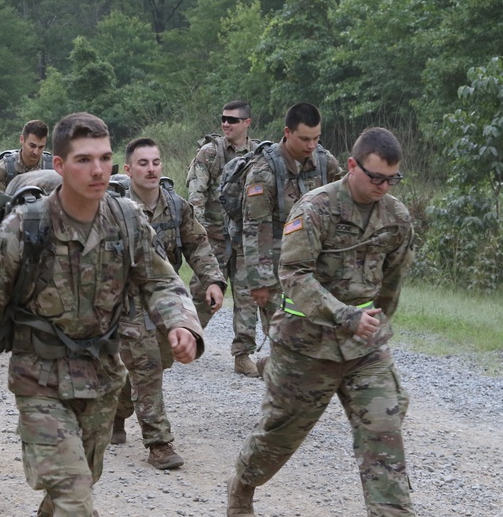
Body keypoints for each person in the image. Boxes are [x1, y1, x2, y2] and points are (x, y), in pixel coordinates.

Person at [0, 113, 204, 517]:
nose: (98, 169)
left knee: (76, 481)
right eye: (85, 160)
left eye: (106, 158)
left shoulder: (127, 218)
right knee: (72, 489)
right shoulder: (29, 225)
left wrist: (182, 324)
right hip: (39, 377)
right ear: (60, 164)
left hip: (102, 375)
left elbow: (161, 280)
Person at [227, 127, 430, 517]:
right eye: (376, 177)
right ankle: (243, 484)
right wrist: (344, 314)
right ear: (353, 165)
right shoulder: (315, 208)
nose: (383, 187)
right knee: (281, 432)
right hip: (306, 345)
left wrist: (377, 325)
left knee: (383, 423)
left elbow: (393, 280)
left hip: (363, 345)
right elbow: (295, 276)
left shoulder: (395, 217)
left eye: (392, 179)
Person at [111, 138, 225, 470]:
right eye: (143, 163)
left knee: (157, 362)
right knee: (146, 364)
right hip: (126, 301)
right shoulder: (114, 208)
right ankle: (159, 443)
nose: (150, 169)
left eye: (155, 162)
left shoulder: (176, 206)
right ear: (129, 169)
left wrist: (213, 281)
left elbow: (198, 245)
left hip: (164, 298)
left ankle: (118, 412)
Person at [239, 102, 343, 370]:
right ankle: (278, 380)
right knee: (283, 336)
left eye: (316, 138)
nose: (311, 145)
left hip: (314, 262)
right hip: (276, 261)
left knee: (314, 333)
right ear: (287, 132)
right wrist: (260, 282)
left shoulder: (325, 162)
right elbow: (255, 227)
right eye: (305, 139)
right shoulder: (263, 171)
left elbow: (344, 203)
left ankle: (278, 371)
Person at [186, 100, 264, 378]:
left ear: (247, 123)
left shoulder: (260, 155)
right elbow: (195, 194)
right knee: (201, 294)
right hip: (215, 238)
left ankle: (242, 355)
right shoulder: (210, 153)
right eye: (223, 119)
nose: (226, 124)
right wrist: (200, 234)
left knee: (247, 298)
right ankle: (184, 340)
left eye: (232, 120)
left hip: (245, 242)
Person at [0, 119, 52, 193]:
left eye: (41, 147)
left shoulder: (53, 169)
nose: (36, 152)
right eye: (32, 146)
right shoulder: (3, 168)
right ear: (22, 139)